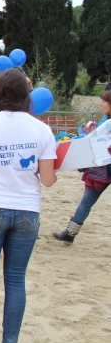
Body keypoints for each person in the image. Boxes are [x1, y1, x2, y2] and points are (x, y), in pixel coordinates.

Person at [0, 68, 57, 343]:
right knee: (16, 281)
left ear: (0, 93)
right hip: (27, 209)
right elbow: (48, 180)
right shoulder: (42, 129)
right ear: (27, 94)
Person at [51, 89, 111, 244]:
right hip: (102, 168)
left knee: (87, 201)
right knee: (87, 201)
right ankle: (70, 233)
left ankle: (70, 234)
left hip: (103, 168)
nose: (101, 103)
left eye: (104, 101)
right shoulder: (106, 120)